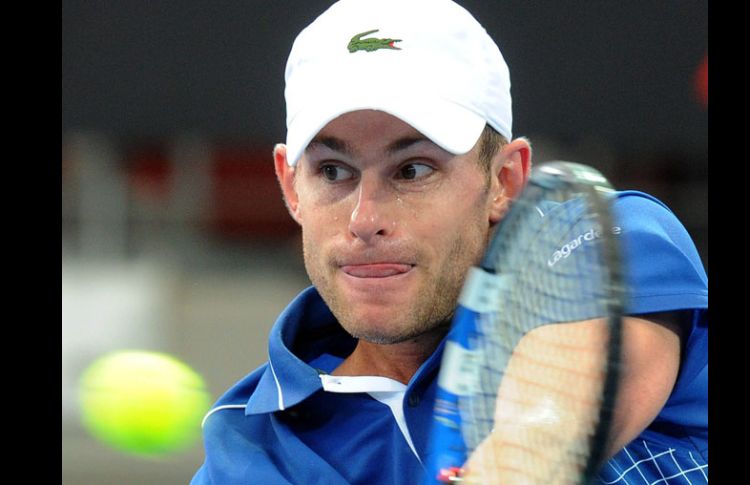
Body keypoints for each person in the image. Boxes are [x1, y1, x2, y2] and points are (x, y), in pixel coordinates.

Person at [191, 1, 708, 484]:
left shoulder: (608, 238)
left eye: (412, 170)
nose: (365, 218)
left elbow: (553, 426)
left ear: (504, 181)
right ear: (290, 187)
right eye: (333, 170)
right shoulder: (246, 452)